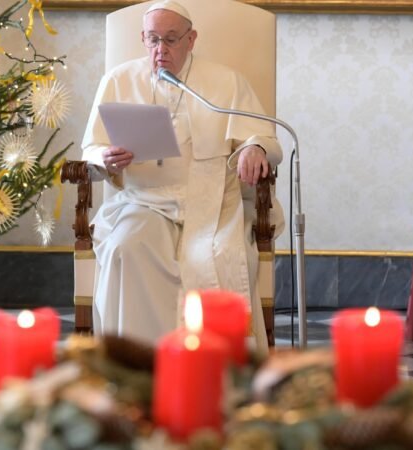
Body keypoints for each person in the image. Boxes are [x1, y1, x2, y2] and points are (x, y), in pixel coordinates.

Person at [81, 0, 283, 353]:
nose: (161, 49)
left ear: (191, 40)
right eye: (153, 39)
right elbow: (91, 148)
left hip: (212, 203)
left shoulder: (225, 81)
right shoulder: (118, 80)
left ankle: (209, 366)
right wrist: (105, 158)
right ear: (143, 39)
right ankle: (139, 361)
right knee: (126, 248)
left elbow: (267, 139)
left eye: (171, 39)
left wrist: (255, 148)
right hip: (143, 201)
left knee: (214, 258)